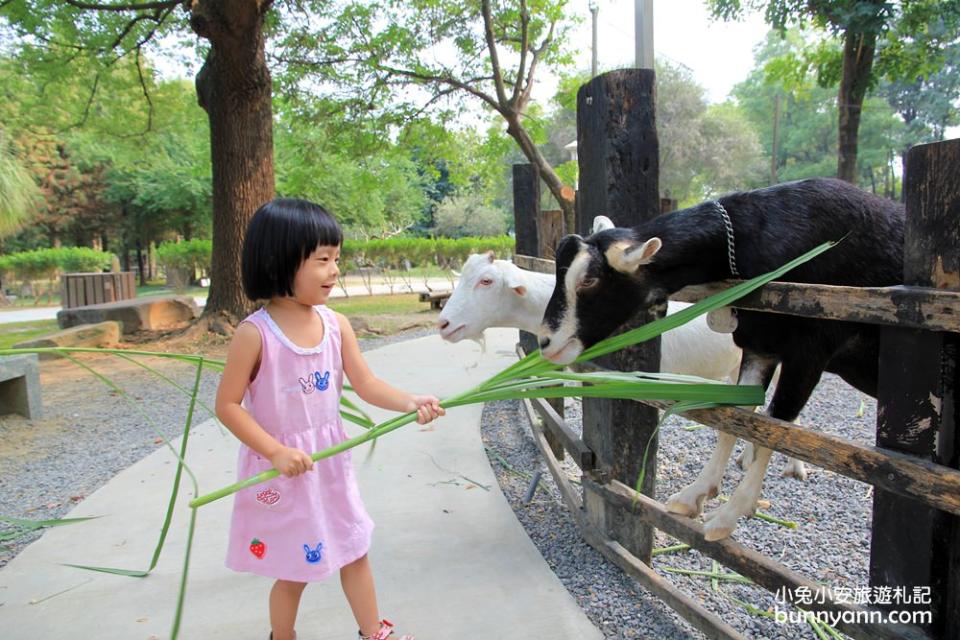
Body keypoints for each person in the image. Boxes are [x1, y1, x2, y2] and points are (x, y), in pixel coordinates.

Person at [215, 198, 444, 640]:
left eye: (336, 259)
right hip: (284, 469)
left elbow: (366, 383)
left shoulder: (336, 324)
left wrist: (410, 402)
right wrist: (276, 451)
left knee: (354, 548)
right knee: (295, 567)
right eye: (322, 260)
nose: (335, 270)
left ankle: (374, 632)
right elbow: (227, 405)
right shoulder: (254, 334)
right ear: (279, 261)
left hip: (329, 465)